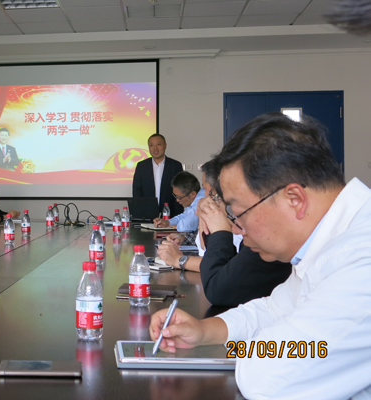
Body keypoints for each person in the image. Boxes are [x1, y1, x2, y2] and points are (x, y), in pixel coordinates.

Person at [150, 113, 371, 399]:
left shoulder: (361, 260)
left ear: (295, 200)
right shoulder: (329, 240)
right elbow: (274, 309)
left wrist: (241, 347)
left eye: (237, 212)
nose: (236, 228)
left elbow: (268, 379)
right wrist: (204, 331)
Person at [157, 159, 292, 306]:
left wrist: (220, 232)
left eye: (212, 193)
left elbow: (220, 284)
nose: (206, 197)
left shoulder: (266, 236)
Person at [132, 133, 184, 217]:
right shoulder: (142, 166)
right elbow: (137, 190)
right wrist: (140, 213)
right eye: (151, 145)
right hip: (147, 214)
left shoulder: (175, 166)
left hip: (170, 214)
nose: (155, 148)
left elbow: (180, 191)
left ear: (165, 145)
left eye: (158, 144)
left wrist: (177, 215)